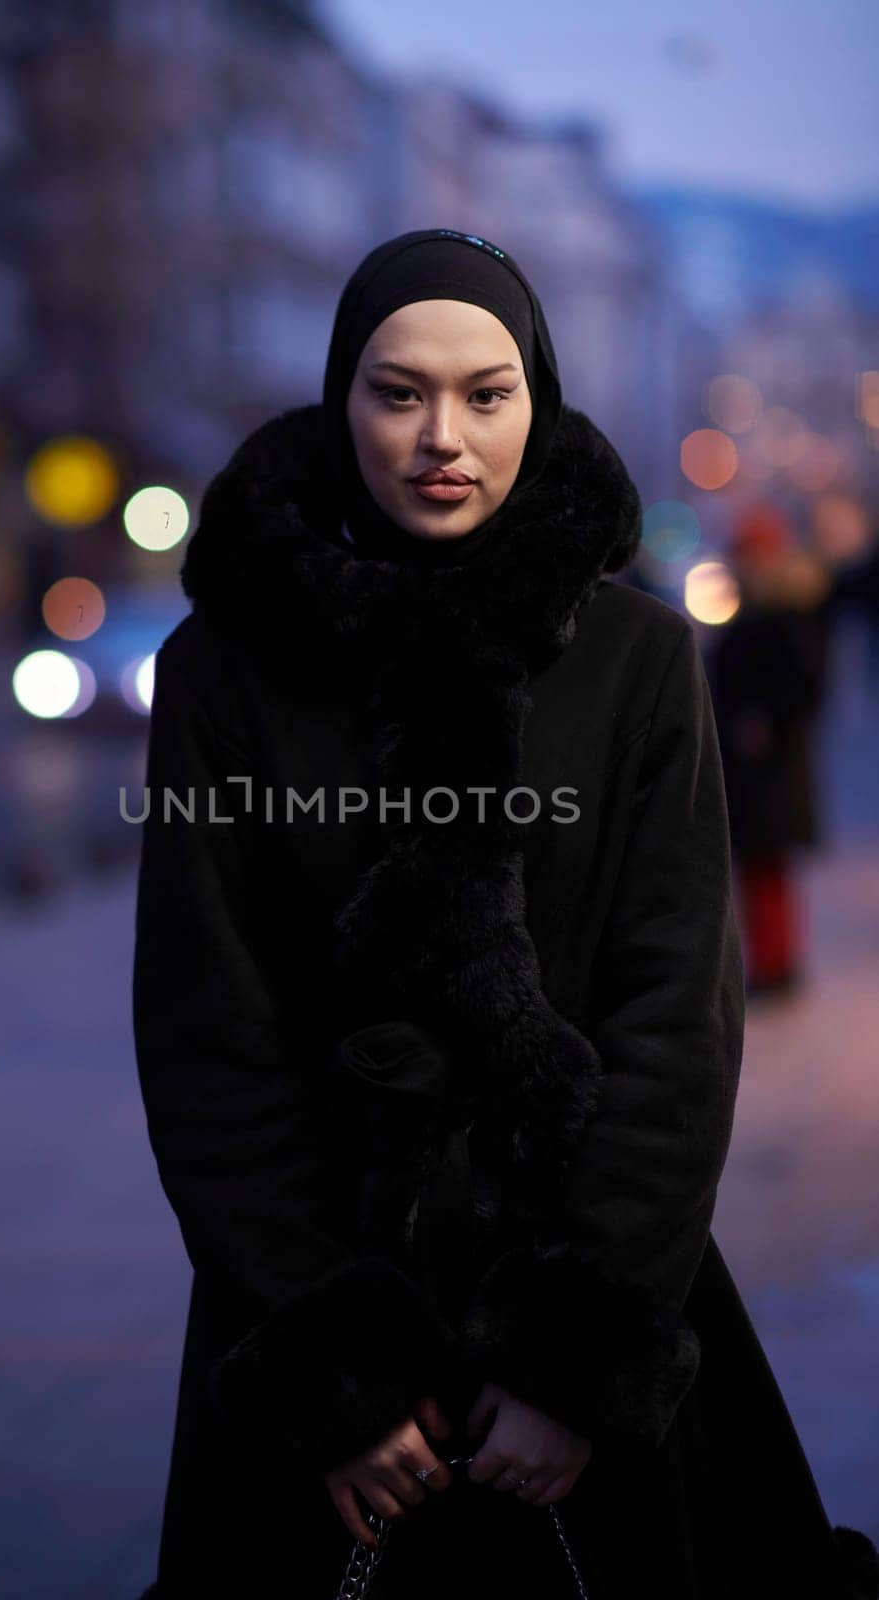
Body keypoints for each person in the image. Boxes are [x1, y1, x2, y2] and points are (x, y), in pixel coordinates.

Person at [132, 229, 879, 1598]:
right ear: (335, 398)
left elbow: (676, 1021)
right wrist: (335, 1379)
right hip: (314, 1315)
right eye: (395, 390)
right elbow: (205, 1033)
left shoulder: (639, 661)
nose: (440, 436)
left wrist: (572, 1367)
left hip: (590, 1291)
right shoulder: (220, 675)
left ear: (536, 395)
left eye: (485, 393)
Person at [709, 503, 833, 998]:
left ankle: (775, 966)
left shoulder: (781, 613)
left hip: (770, 771)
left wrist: (764, 721)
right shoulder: (770, 609)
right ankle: (772, 963)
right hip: (763, 769)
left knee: (767, 871)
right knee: (761, 871)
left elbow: (802, 687)